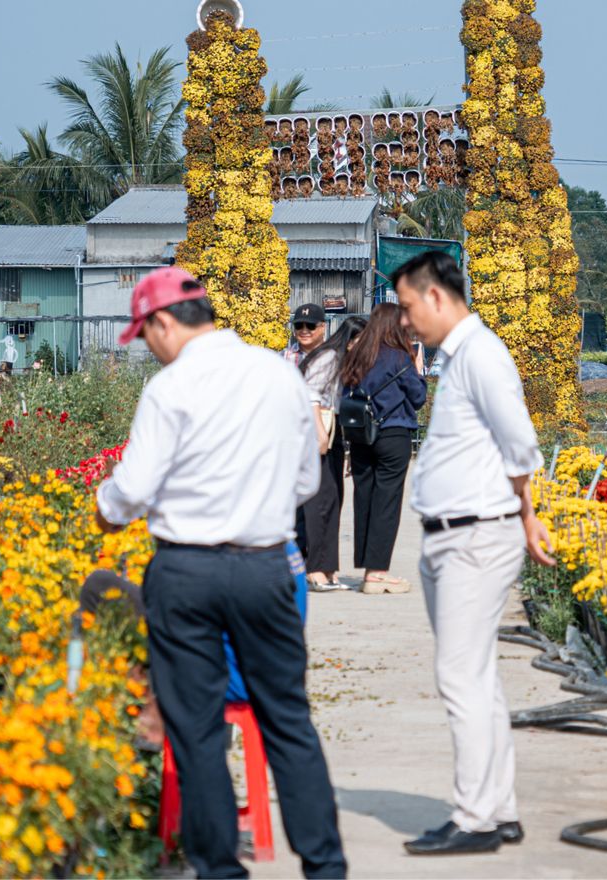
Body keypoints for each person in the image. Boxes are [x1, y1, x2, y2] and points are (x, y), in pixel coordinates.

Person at [94, 267, 345, 879]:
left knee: (197, 730)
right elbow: (307, 480)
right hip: (265, 567)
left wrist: (107, 509)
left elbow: (130, 490)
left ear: (160, 323)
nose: (149, 348)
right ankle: (324, 866)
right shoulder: (276, 373)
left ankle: (219, 871)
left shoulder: (170, 388)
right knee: (286, 718)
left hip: (186, 572)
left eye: (145, 335)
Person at [388, 251, 554, 855]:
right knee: (476, 673)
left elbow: (520, 443)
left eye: (408, 307)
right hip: (458, 533)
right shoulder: (458, 358)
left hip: (475, 537)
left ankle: (475, 817)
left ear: (436, 297)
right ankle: (498, 809)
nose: (405, 321)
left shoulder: (480, 356)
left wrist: (527, 516)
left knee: (459, 674)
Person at [339, 303, 428, 593]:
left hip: (361, 435)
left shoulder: (357, 357)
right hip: (393, 433)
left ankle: (367, 569)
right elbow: (416, 398)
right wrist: (418, 373)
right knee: (386, 501)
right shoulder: (400, 358)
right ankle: (377, 573)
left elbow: (345, 394)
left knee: (364, 497)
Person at [296, 315, 366, 592]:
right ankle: (315, 569)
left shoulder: (339, 359)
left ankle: (327, 568)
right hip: (319, 431)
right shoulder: (328, 358)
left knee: (333, 498)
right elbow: (311, 395)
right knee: (320, 502)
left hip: (332, 430)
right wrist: (321, 434)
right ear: (352, 340)